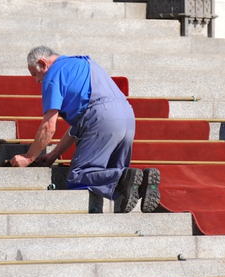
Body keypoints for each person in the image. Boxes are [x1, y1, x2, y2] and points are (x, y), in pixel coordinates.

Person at [9, 46, 160, 213]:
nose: (37, 81)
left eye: (34, 75)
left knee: (78, 176)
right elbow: (78, 126)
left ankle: (123, 177)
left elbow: (48, 126)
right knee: (111, 174)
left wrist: (29, 157)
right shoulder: (84, 63)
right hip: (127, 117)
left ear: (43, 64)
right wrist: (53, 154)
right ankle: (145, 181)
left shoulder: (53, 75)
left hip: (100, 119)